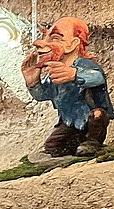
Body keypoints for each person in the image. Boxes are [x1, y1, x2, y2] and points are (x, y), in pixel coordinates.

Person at [22, 17, 111, 157]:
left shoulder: (85, 65)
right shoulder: (55, 73)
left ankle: (92, 142)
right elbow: (42, 95)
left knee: (97, 116)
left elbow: (97, 77)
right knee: (52, 147)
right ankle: (75, 145)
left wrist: (74, 74)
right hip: (69, 121)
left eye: (55, 38)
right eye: (45, 37)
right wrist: (33, 82)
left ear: (73, 43)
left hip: (91, 118)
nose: (41, 43)